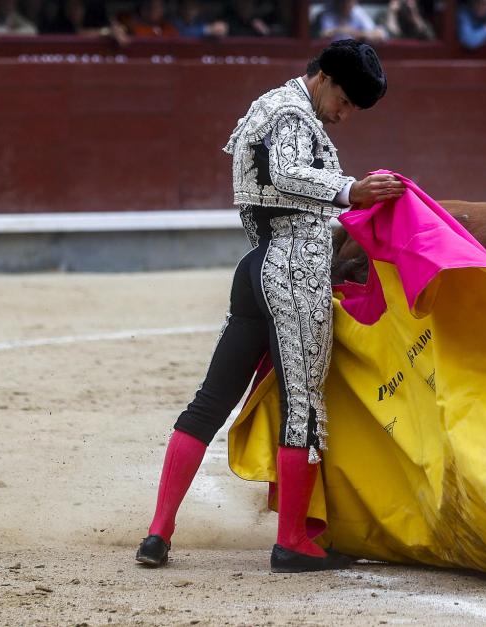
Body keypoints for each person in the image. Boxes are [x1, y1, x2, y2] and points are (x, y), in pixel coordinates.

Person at [135, 39, 405, 573]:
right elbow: (283, 174)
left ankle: (158, 532)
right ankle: (293, 543)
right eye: (346, 102)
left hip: (256, 267)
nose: (344, 116)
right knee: (302, 407)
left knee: (210, 403)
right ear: (324, 77)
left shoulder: (269, 106)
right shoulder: (292, 116)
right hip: (294, 270)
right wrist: (351, 191)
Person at [316, 0, 387, 43]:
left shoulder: (357, 11)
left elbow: (379, 34)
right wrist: (340, 30)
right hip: (333, 54)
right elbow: (323, 34)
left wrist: (356, 33)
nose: (346, 3)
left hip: (354, 55)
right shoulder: (329, 13)